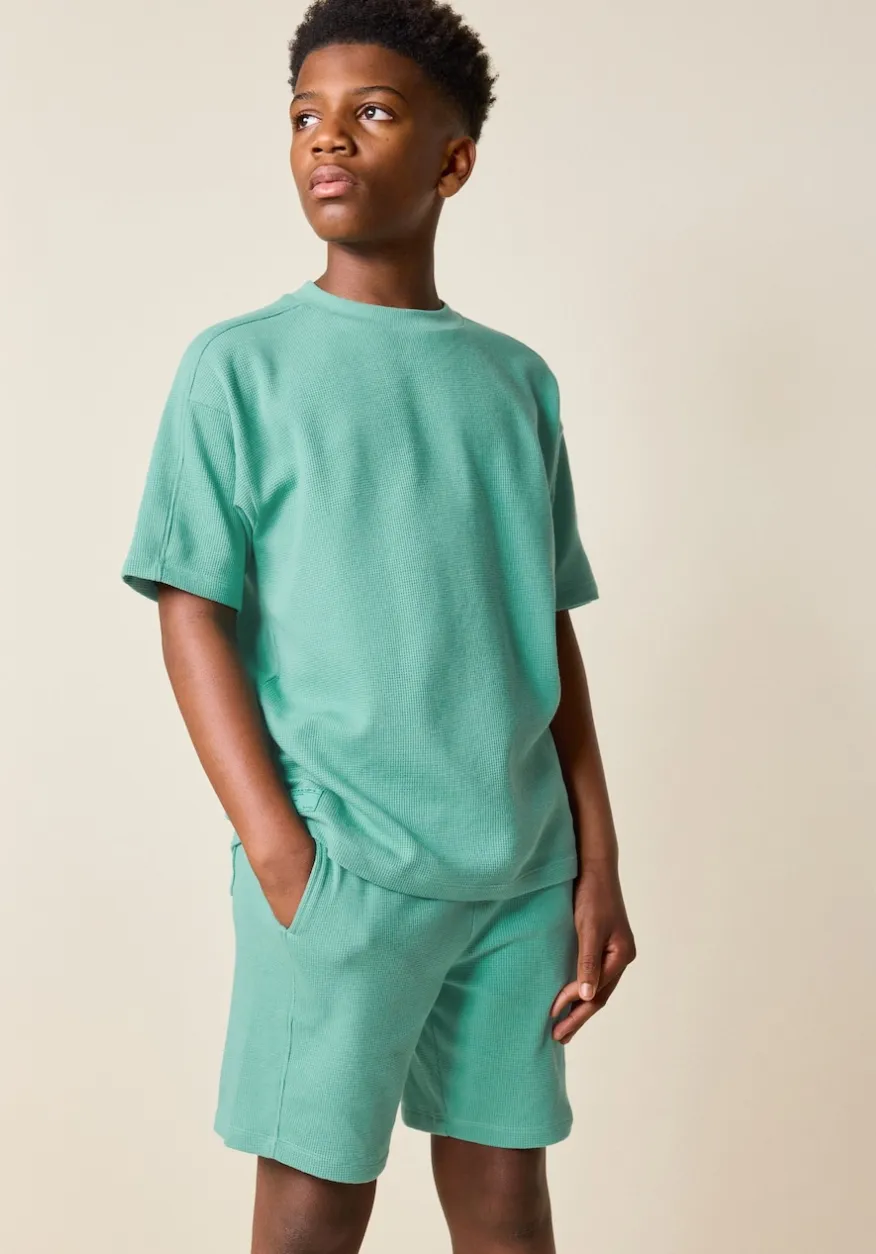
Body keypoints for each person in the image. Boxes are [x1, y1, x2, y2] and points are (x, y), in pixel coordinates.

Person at [120, 1, 636, 1249]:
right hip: (342, 864)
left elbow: (541, 627)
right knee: (312, 1208)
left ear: (453, 161)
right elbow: (192, 611)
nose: (327, 138)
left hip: (520, 873)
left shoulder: (515, 381)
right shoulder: (239, 367)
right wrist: (281, 856)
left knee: (508, 1206)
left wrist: (597, 860)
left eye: (372, 112)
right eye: (305, 115)